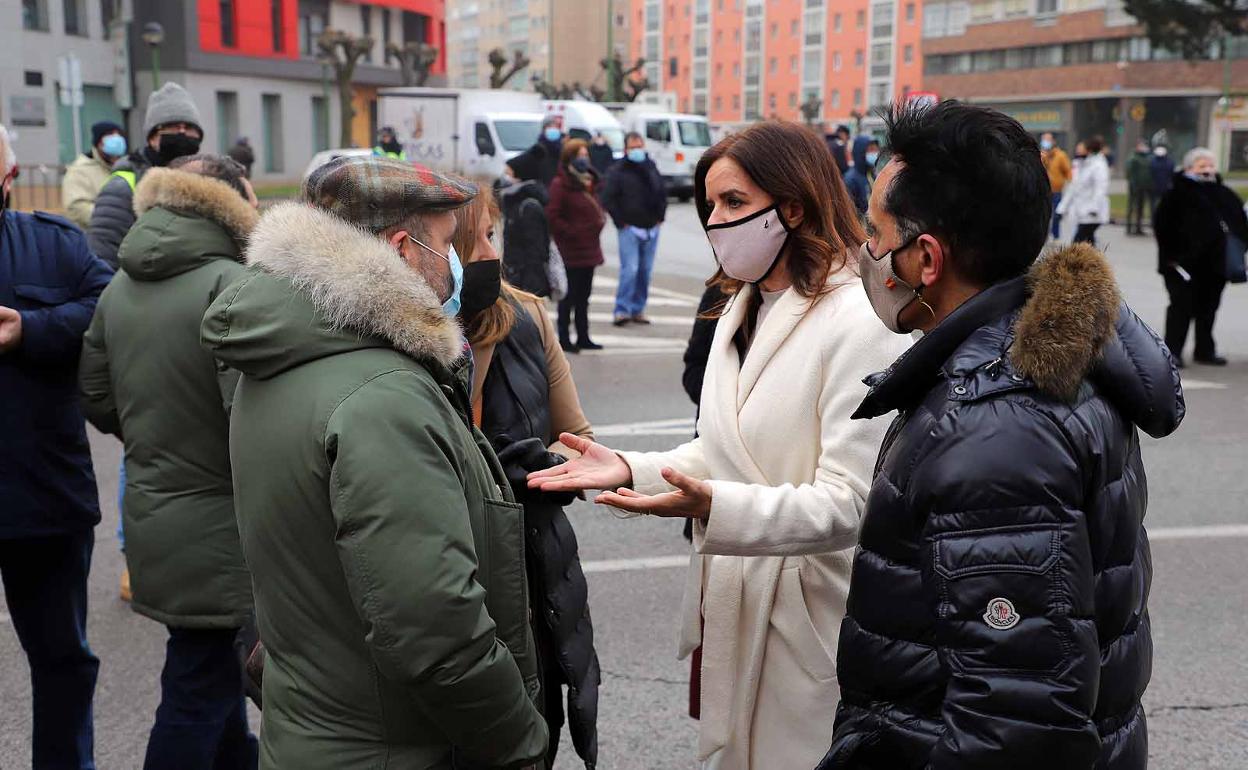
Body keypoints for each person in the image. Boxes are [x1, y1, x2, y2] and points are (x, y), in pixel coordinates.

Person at [528, 121, 912, 769]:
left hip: (813, 615)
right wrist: (630, 467)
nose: (714, 220)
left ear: (793, 205)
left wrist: (715, 507)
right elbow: (722, 451)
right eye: (709, 204)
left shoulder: (860, 321)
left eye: (733, 203)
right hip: (735, 600)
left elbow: (851, 503)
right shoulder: (740, 305)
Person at [819, 101, 1183, 770]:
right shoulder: (1029, 363)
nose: (866, 254)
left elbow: (1018, 724)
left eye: (875, 233)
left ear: (925, 257)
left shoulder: (994, 428)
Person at [200, 155, 548, 768]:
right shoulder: (382, 398)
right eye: (446, 243)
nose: (459, 262)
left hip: (317, 733)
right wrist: (519, 740)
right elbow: (437, 634)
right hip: (392, 747)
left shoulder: (288, 356)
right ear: (402, 249)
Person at [78, 156, 260, 769]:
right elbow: (255, 417)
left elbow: (96, 395)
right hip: (221, 522)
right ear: (227, 203)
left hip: (157, 512)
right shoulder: (230, 284)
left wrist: (158, 435)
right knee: (197, 688)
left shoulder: (121, 286)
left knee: (209, 669)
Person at [452, 189, 601, 769]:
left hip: (530, 568)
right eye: (476, 239)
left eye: (494, 235)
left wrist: (540, 468)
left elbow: (576, 439)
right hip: (454, 571)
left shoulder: (528, 314)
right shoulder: (399, 334)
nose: (493, 252)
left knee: (532, 728)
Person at [0, 123, 113, 770]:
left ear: (9, 180)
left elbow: (110, 304)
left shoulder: (54, 246)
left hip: (44, 500)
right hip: (46, 494)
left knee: (63, 661)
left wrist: (34, 329)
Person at [89, 82, 203, 267]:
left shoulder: (206, 181)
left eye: (189, 128)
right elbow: (103, 258)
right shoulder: (122, 187)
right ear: (152, 136)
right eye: (172, 127)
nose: (182, 133)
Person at [1153, 147, 1248, 367]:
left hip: (1215, 265)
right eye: (1201, 165)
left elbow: (1240, 224)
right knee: (1181, 308)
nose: (1207, 170)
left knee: (1208, 309)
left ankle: (1205, 350)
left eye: (1210, 165)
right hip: (1181, 264)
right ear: (1189, 168)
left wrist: (1238, 246)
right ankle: (1173, 352)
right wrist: (1172, 257)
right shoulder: (1176, 193)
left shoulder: (1224, 193)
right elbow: (1163, 226)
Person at [546, 138, 606, 352]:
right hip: (571, 250)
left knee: (584, 297)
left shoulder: (589, 181)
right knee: (568, 298)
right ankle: (564, 338)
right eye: (580, 155)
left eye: (586, 155)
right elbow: (553, 217)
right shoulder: (560, 184)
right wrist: (573, 232)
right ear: (569, 158)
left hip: (589, 249)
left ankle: (583, 336)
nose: (584, 159)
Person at [604, 131, 667, 327]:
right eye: (633, 147)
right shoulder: (618, 171)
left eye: (640, 146)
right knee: (629, 269)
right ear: (626, 149)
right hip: (629, 228)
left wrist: (660, 217)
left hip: (651, 227)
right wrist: (621, 222)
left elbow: (662, 192)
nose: (637, 150)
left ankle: (638, 309)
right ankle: (621, 310)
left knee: (645, 272)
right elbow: (608, 198)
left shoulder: (651, 167)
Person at [497, 175, 555, 296]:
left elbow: (535, 249)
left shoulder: (527, 208)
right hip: (518, 273)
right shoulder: (518, 206)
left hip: (526, 277)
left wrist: (530, 282)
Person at [62, 121, 126, 229]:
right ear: (99, 143)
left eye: (118, 135)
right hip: (93, 237)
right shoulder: (80, 170)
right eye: (110, 135)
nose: (116, 139)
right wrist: (112, 219)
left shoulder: (125, 167)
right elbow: (76, 208)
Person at [1057, 135, 1110, 245]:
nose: (1077, 150)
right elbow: (1073, 188)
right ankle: (1095, 262)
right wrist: (1062, 208)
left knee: (1077, 244)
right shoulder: (1079, 165)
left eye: (1080, 148)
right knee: (1088, 243)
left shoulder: (1098, 165)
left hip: (1092, 213)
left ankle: (1080, 262)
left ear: (1088, 150)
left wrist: (1094, 208)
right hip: (1081, 211)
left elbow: (1101, 188)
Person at [508, 116, 564, 189]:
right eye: (550, 127)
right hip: (543, 192)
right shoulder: (539, 149)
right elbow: (512, 165)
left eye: (556, 127)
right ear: (544, 129)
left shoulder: (563, 149)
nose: (554, 129)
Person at [1040, 131, 1072, 239]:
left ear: (1053, 141)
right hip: (1044, 190)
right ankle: (1044, 236)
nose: (1045, 142)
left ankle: (1056, 235)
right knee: (1044, 214)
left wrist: (1069, 186)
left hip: (1057, 190)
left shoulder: (1060, 156)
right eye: (1043, 139)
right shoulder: (1041, 155)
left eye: (1048, 139)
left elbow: (1068, 172)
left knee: (1056, 215)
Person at [1125, 139, 1153, 235]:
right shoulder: (1133, 157)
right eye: (1142, 146)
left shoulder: (1147, 158)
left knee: (1140, 208)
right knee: (1132, 207)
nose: (1144, 148)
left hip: (1144, 187)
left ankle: (1138, 228)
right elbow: (1129, 173)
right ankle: (1129, 227)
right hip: (1135, 187)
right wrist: (1133, 184)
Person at [842, 135, 873, 215]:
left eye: (875, 149)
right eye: (869, 150)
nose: (873, 153)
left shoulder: (871, 174)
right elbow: (849, 212)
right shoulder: (850, 179)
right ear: (860, 152)